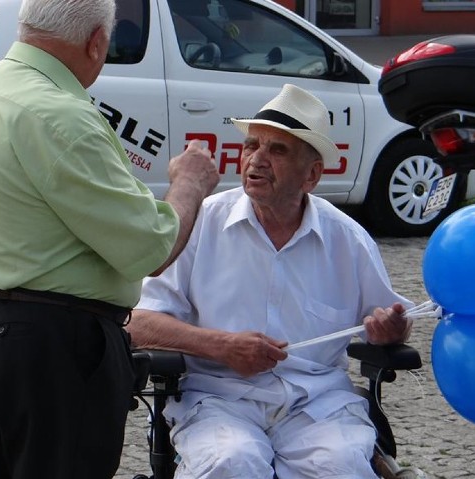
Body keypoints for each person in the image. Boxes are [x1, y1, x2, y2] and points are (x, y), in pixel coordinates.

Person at [0, 0, 220, 477]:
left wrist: (3, 272)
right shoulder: (63, 116)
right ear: (96, 42)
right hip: (53, 345)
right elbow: (151, 248)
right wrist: (190, 183)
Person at [127, 83, 413, 479]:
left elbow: (391, 323)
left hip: (317, 404)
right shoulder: (203, 222)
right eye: (251, 146)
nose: (256, 160)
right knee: (231, 462)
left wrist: (390, 330)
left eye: (277, 150)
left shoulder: (346, 237)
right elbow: (138, 323)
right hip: (219, 398)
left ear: (312, 174)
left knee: (340, 466)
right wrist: (221, 346)